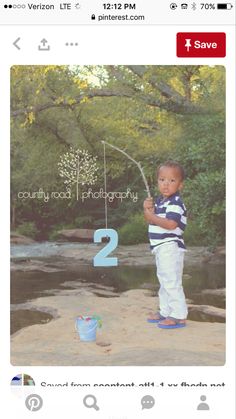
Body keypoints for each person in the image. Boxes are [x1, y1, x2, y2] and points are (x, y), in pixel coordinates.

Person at [143, 160, 188, 329]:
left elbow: (171, 224)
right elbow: (153, 218)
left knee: (171, 281)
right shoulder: (162, 202)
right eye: (162, 180)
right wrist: (147, 209)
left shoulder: (175, 202)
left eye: (172, 180)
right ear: (157, 182)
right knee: (163, 280)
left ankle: (178, 315)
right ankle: (165, 310)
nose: (166, 184)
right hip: (161, 247)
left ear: (180, 185)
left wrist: (151, 216)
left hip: (170, 246)